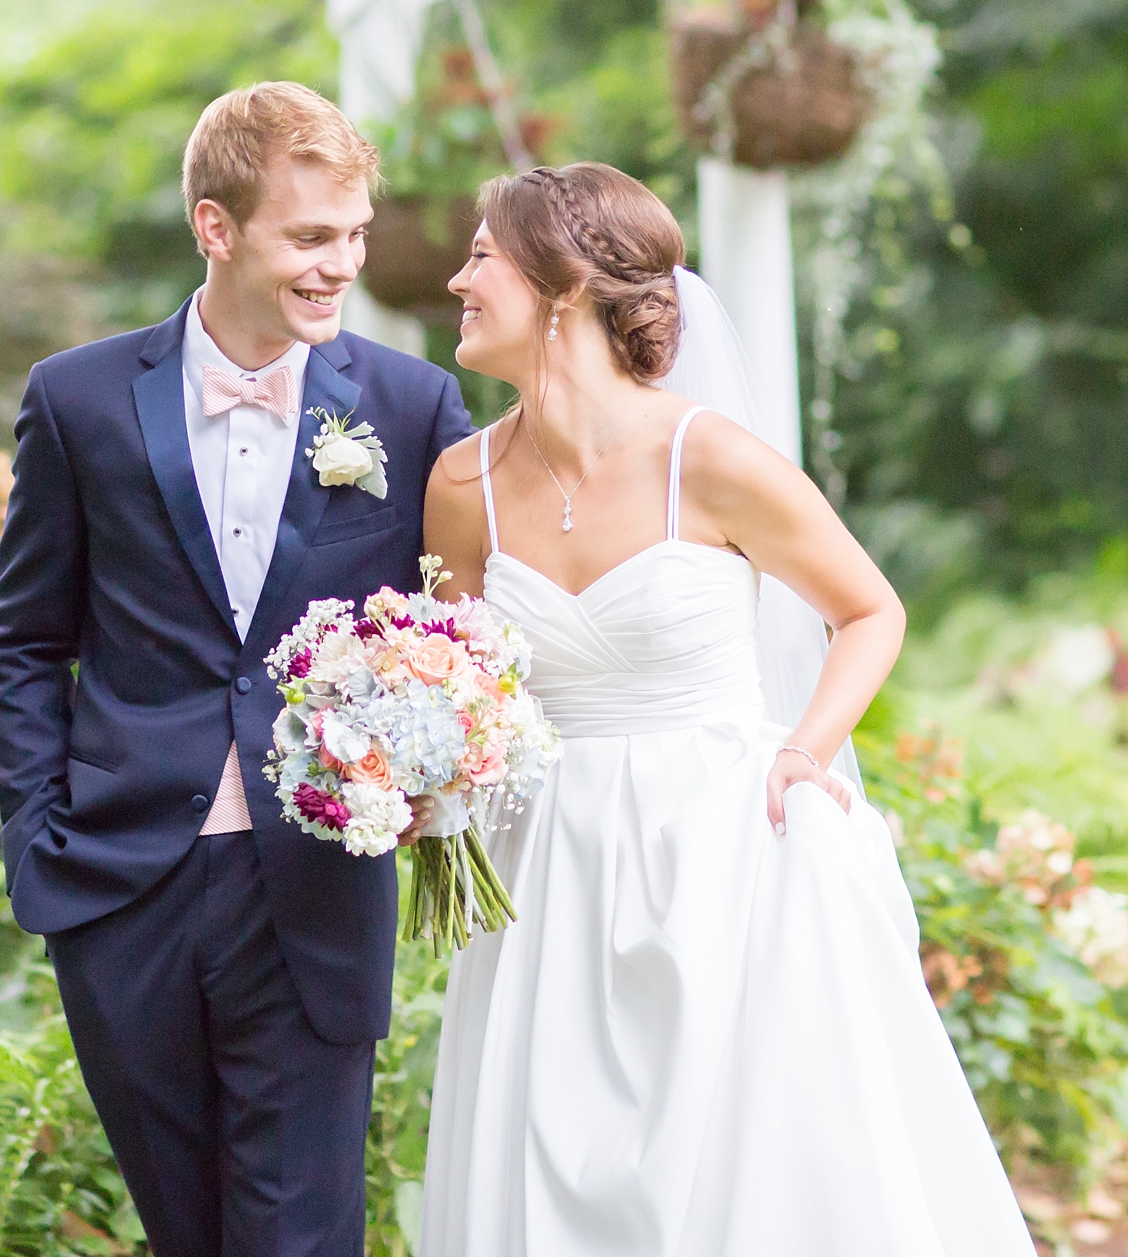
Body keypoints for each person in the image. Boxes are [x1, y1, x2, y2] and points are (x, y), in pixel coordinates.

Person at [415, 162, 1031, 1255]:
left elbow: (866, 609)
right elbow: (459, 680)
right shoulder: (460, 484)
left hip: (725, 843)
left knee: (750, 1163)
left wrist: (804, 751)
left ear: (561, 285)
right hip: (550, 859)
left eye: (479, 256)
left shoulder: (709, 456)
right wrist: (404, 759)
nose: (457, 279)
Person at [0, 82, 472, 1255]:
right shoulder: (79, 398)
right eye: (309, 236)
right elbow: (25, 638)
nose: (339, 264)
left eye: (352, 234)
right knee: (184, 1229)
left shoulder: (409, 407)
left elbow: (457, 630)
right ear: (216, 227)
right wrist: (38, 837)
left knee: (297, 1233)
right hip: (120, 879)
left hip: (314, 883)